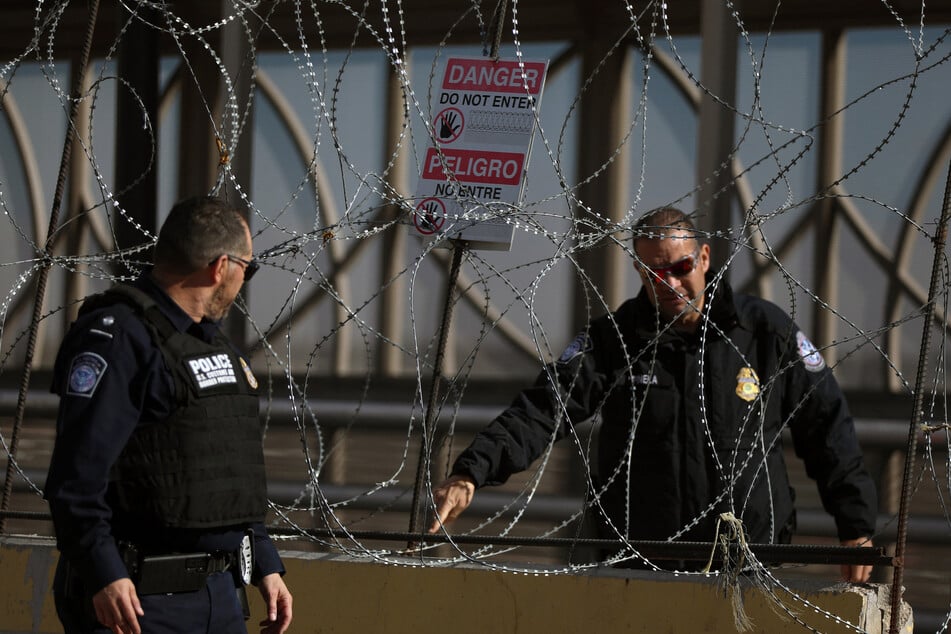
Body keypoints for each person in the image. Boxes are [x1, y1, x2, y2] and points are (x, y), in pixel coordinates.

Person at [429, 206, 878, 582]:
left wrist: (855, 526)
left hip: (745, 564)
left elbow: (826, 425)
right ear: (639, 270)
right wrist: (472, 471)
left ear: (703, 258)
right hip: (639, 566)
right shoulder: (615, 339)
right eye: (654, 273)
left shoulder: (764, 331)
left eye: (681, 268)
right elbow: (545, 408)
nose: (671, 284)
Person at [45, 196, 293, 634]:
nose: (243, 283)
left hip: (220, 595)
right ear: (221, 267)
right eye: (247, 269)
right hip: (138, 602)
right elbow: (76, 477)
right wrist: (104, 573)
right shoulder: (120, 339)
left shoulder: (212, 345)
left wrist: (263, 563)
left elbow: (227, 467)